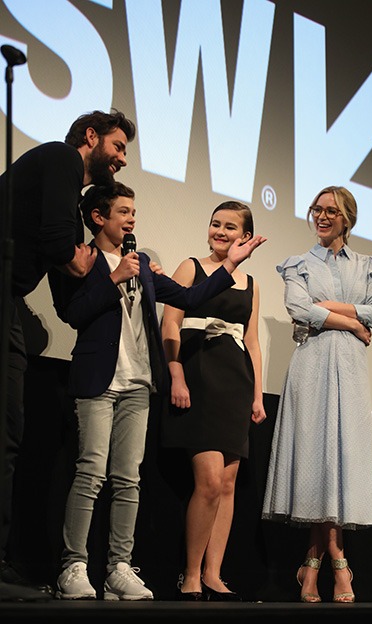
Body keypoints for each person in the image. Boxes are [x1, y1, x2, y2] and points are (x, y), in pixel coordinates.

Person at [52, 184, 266, 601]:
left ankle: (118, 567)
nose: (132, 219)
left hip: (137, 382)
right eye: (124, 212)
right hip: (98, 378)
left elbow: (188, 297)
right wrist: (114, 278)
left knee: (128, 479)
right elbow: (73, 313)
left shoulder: (144, 264)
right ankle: (73, 565)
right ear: (98, 217)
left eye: (134, 212)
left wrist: (229, 265)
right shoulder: (83, 260)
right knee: (90, 473)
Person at [0, 109, 136, 601]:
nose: (122, 159)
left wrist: (75, 258)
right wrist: (72, 258)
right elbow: (64, 248)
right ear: (91, 136)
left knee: (9, 430)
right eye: (118, 146)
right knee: (6, 430)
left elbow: (67, 250)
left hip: (9, 299)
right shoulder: (61, 158)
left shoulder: (67, 184)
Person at [262, 186, 372, 603]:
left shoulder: (367, 265)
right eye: (316, 209)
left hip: (349, 372)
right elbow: (300, 310)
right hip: (312, 366)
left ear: (347, 218)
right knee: (317, 462)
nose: (321, 216)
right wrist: (351, 322)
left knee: (337, 465)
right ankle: (339, 563)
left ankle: (311, 562)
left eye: (330, 210)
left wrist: (331, 307)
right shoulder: (298, 264)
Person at [161, 200, 267, 601]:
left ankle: (213, 574)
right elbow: (170, 323)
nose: (220, 232)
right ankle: (189, 574)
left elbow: (252, 342)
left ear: (245, 236)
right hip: (198, 373)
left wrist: (257, 395)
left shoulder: (252, 284)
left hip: (235, 382)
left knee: (226, 483)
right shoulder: (191, 267)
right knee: (207, 481)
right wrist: (176, 373)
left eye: (230, 227)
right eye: (215, 224)